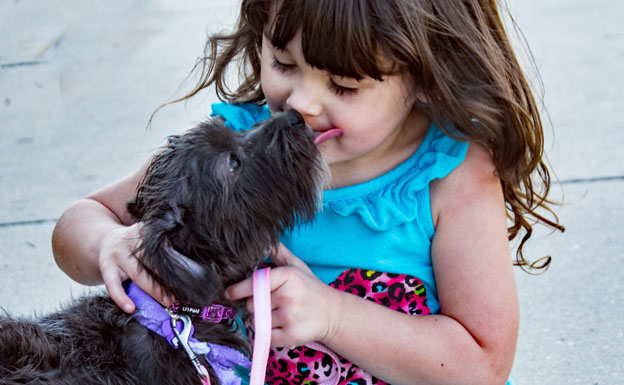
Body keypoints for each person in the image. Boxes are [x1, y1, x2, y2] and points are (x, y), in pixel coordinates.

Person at [52, 1, 564, 384]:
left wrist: (334, 316)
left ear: (426, 76)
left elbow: (482, 362)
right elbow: (84, 217)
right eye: (283, 62)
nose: (301, 102)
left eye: (343, 86)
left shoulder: (450, 178)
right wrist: (105, 245)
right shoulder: (240, 145)